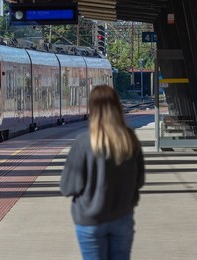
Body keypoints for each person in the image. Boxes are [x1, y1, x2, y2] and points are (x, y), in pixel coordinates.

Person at [59, 85, 145, 260]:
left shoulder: (82, 143)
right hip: (123, 217)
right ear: (117, 106)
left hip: (90, 221)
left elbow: (67, 187)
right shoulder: (130, 139)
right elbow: (140, 180)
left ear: (92, 109)